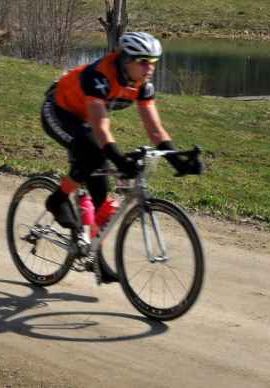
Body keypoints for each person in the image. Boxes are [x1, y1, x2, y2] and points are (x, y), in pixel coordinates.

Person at [41, 31, 198, 280]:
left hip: (86, 120)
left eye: (154, 62)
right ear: (126, 59)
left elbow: (154, 128)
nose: (150, 68)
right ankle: (57, 199)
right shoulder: (99, 76)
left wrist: (176, 158)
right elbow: (101, 128)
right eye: (143, 62)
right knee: (92, 153)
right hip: (59, 111)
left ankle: (95, 259)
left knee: (101, 199)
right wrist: (120, 159)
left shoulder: (142, 86)